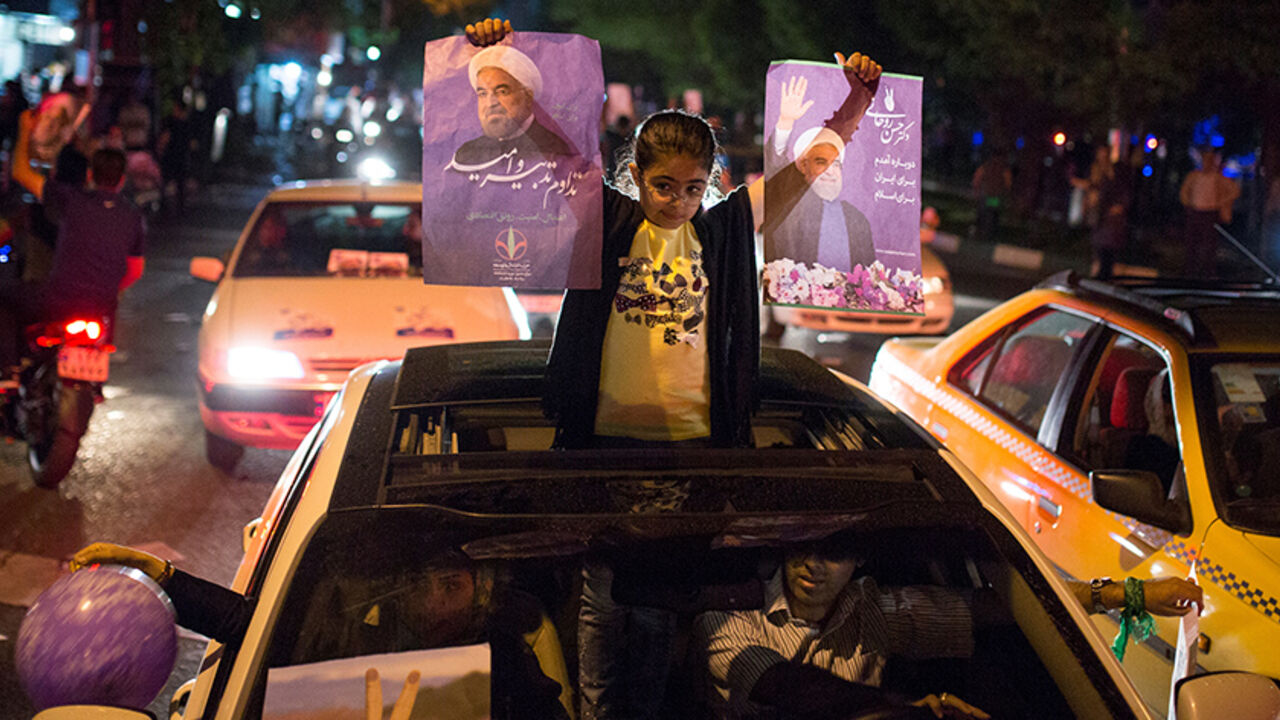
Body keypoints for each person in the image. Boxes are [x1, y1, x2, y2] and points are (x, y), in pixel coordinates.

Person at [457, 19, 878, 720]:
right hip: (602, 452)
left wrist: (857, 99)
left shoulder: (722, 230)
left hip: (693, 455)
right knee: (599, 602)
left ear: (709, 185)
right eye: (661, 186)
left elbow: (810, 165)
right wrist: (495, 55)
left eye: (690, 188)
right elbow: (546, 139)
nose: (676, 201)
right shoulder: (609, 219)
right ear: (634, 177)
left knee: (658, 613)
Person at [694, 538, 1203, 719]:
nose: (813, 565)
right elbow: (789, 687)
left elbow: (994, 608)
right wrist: (904, 711)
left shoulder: (872, 611)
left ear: (859, 562)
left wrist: (1124, 594)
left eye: (835, 554)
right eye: (802, 549)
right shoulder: (728, 616)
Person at [68, 542, 574, 719]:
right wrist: (166, 580)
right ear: (400, 589)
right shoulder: (351, 640)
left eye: (452, 585)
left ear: (479, 593)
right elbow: (256, 626)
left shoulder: (502, 665)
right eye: (423, 583)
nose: (436, 598)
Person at [0, 107, 145, 373]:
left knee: (5, 299)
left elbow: (21, 172)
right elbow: (135, 271)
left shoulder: (73, 200)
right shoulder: (133, 217)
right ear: (122, 180)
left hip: (58, 300)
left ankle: (8, 371)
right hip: (103, 307)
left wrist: (23, 128)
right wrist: (109, 284)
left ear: (90, 176)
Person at [761, 73, 877, 270]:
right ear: (803, 167)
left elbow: (867, 277)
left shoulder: (857, 220)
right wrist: (785, 122)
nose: (830, 172)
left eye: (836, 165)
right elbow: (777, 169)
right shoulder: (788, 205)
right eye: (822, 163)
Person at [448, 43, 574, 170]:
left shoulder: (554, 150)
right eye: (483, 94)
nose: (490, 103)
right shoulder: (466, 155)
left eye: (502, 92)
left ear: (528, 97)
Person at [1178, 149, 1240, 277]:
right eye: (1205, 160)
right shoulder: (1194, 176)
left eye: (1209, 160)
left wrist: (1221, 202)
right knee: (1192, 242)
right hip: (1195, 212)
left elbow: (1234, 190)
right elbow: (1184, 192)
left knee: (1209, 245)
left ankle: (1207, 272)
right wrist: (1188, 204)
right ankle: (1190, 271)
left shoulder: (1218, 178)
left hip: (1210, 213)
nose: (1207, 163)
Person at [1089, 151, 1129, 280]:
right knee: (1102, 248)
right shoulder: (1100, 178)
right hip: (1103, 218)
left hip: (1110, 221)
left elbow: (1122, 200)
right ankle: (1102, 274)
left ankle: (1104, 274)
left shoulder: (1116, 181)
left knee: (1107, 249)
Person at [971, 151, 1011, 243]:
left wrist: (976, 190)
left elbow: (977, 179)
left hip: (988, 195)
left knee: (986, 215)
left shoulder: (987, 167)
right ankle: (987, 235)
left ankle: (983, 234)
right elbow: (1008, 183)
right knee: (990, 215)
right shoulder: (1002, 169)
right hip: (991, 196)